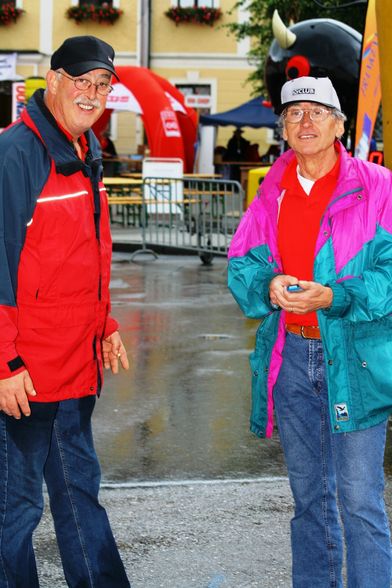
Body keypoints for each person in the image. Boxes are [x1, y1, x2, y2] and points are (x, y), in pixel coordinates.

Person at [227, 76, 392, 587]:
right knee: (308, 499)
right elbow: (239, 264)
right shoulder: (270, 191)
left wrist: (336, 296)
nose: (305, 122)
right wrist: (269, 281)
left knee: (360, 497)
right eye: (294, 113)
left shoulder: (378, 186)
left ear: (339, 125)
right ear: (282, 127)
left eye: (317, 112)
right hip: (292, 358)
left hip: (356, 358)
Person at [0, 35, 131, 587]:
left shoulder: (82, 149)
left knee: (80, 499)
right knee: (16, 510)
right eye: (81, 81)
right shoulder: (17, 152)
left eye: (102, 85)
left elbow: (82, 258)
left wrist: (106, 326)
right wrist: (4, 364)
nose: (92, 93)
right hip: (25, 375)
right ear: (51, 81)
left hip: (75, 368)